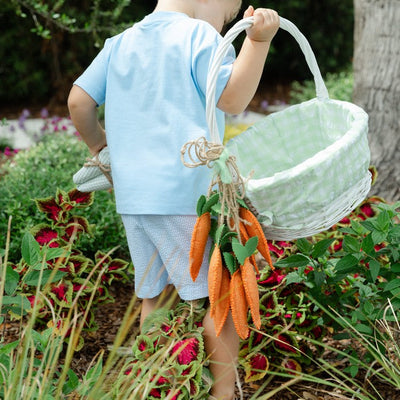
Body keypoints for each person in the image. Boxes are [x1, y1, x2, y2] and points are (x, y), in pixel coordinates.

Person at [68, 1, 279, 399]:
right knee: (222, 297)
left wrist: (101, 149)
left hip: (134, 200)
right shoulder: (200, 36)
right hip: (186, 199)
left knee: (156, 294)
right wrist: (258, 42)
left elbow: (78, 101)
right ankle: (222, 394)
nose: (227, 23)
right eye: (229, 14)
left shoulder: (120, 42)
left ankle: (158, 383)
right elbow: (232, 100)